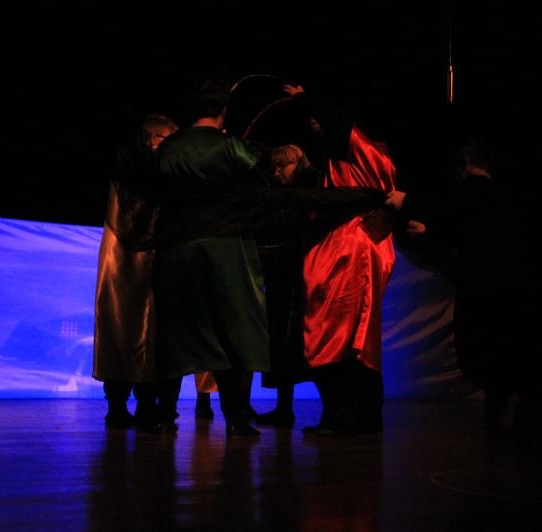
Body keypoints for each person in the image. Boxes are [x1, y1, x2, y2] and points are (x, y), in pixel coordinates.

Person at [152, 78, 388, 437]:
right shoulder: (231, 149)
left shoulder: (168, 149)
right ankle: (236, 420)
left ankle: (163, 416)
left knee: (175, 332)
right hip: (225, 250)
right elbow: (270, 182)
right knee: (233, 333)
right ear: (222, 112)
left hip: (175, 252)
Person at [385, 139, 530, 433]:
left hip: (479, 284)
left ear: (464, 163)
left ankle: (501, 404)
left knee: (476, 347)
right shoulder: (501, 197)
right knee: (497, 347)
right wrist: (430, 229)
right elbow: (465, 226)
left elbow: (449, 212)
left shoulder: (472, 191)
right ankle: (501, 407)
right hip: (507, 284)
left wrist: (408, 201)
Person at [282, 84, 398, 436]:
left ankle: (346, 416)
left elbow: (337, 120)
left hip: (353, 250)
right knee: (343, 332)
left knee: (342, 333)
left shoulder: (359, 147)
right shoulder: (343, 159)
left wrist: (303, 98)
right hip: (348, 247)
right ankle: (352, 416)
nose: (314, 123)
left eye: (319, 119)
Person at [92, 112, 182, 433]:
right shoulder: (135, 168)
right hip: (125, 256)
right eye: (164, 140)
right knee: (123, 324)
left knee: (144, 328)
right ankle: (122, 405)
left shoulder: (137, 168)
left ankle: (141, 405)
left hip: (139, 256)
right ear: (151, 138)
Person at [253, 144, 321, 427]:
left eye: (283, 166)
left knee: (303, 341)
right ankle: (284, 407)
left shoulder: (309, 192)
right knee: (282, 341)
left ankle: (324, 408)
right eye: (275, 167)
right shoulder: (281, 196)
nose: (277, 172)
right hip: (283, 277)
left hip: (303, 276)